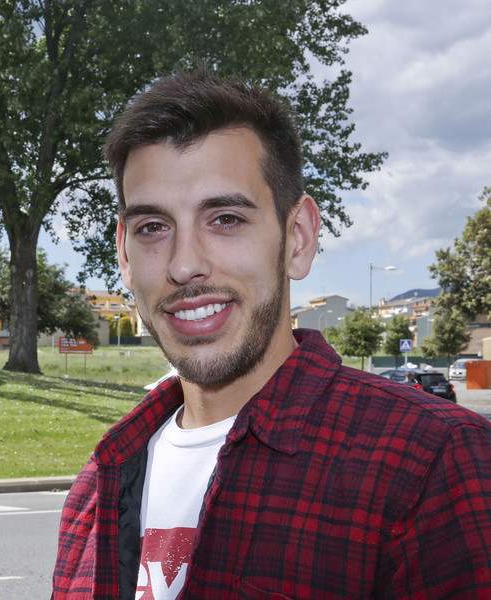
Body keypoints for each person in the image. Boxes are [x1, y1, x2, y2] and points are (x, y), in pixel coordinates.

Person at [51, 68, 491, 599]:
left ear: (298, 238)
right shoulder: (95, 491)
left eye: (226, 219)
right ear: (124, 253)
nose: (184, 265)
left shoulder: (434, 463)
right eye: (153, 228)